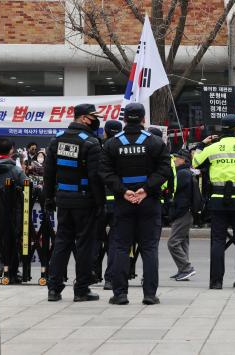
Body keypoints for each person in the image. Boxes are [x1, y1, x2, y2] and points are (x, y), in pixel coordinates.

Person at [100, 103, 171, 305]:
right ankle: (149, 294)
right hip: (148, 201)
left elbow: (105, 173)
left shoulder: (112, 144)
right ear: (143, 119)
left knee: (121, 247)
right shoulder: (155, 142)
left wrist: (124, 191)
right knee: (149, 248)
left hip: (123, 203)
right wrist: (146, 189)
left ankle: (120, 294)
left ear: (124, 119)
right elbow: (165, 169)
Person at [44, 103, 105, 302]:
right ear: (84, 118)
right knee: (85, 245)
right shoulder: (91, 142)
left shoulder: (57, 140)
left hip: (63, 199)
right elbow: (95, 177)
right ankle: (81, 289)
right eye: (93, 117)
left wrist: (48, 197)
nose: (96, 120)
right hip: (85, 200)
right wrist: (100, 203)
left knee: (61, 243)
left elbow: (49, 173)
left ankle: (54, 288)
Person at [192, 114, 235, 290]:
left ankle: (216, 282)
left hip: (218, 201)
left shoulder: (212, 148)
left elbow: (195, 163)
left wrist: (201, 144)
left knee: (218, 241)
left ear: (222, 129)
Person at [95, 119, 123, 291]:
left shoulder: (96, 147)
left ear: (105, 132)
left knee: (93, 240)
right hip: (119, 201)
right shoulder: (122, 148)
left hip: (98, 202)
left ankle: (92, 274)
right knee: (115, 242)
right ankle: (110, 279)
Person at [0, 138, 28, 283]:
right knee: (11, 240)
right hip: (11, 213)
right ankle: (13, 272)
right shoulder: (16, 170)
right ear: (11, 151)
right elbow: (28, 185)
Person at [167, 149, 197, 281]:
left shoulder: (182, 173)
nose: (174, 160)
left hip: (183, 212)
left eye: (177, 158)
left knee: (173, 243)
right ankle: (183, 270)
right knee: (183, 242)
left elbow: (173, 189)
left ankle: (186, 268)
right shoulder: (185, 172)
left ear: (184, 160)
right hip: (184, 212)